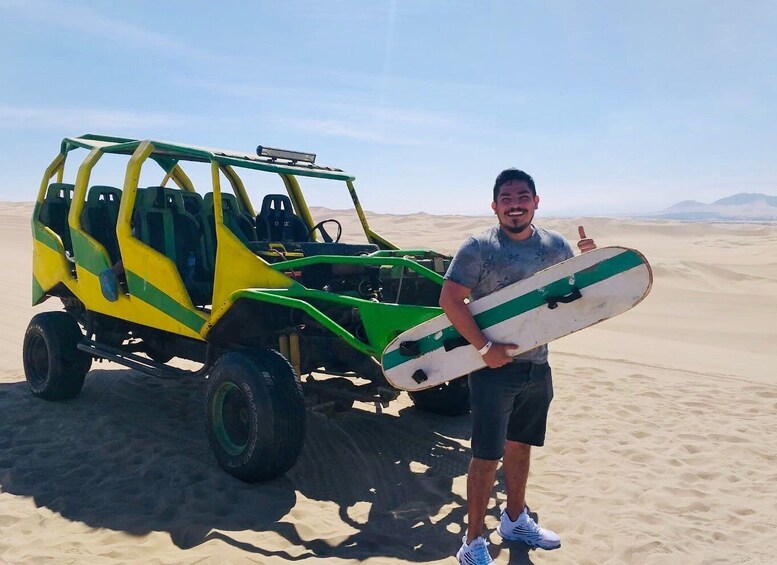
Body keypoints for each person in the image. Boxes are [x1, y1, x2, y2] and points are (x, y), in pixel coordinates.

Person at [440, 168, 596, 565]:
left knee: (521, 446)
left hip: (537, 365)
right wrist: (485, 348)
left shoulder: (555, 247)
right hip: (493, 368)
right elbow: (451, 300)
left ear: (536, 202)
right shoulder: (478, 247)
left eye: (522, 196)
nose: (515, 205)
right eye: (507, 198)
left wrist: (594, 265)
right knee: (486, 455)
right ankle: (473, 542)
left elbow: (575, 293)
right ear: (495, 206)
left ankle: (514, 520)